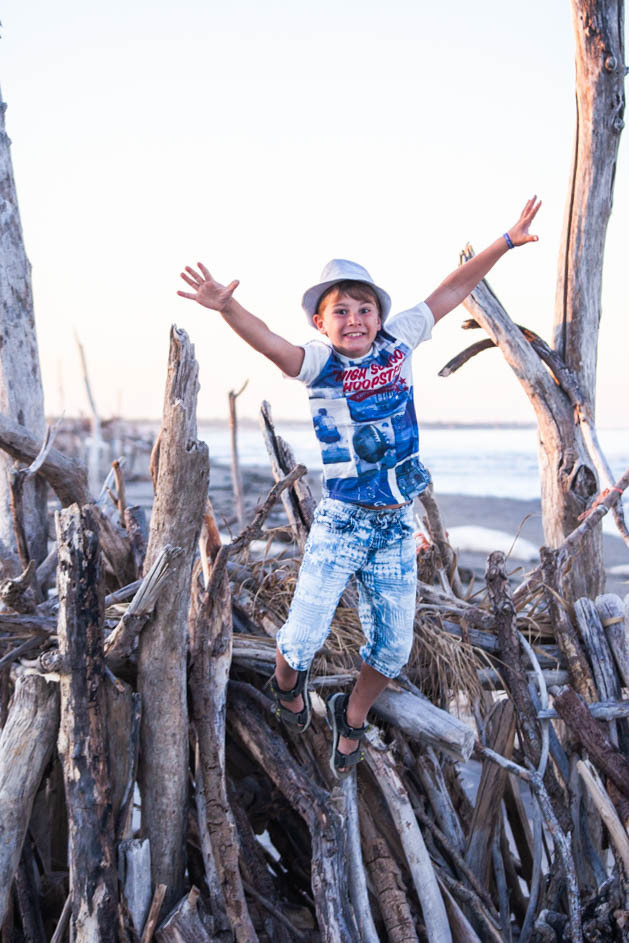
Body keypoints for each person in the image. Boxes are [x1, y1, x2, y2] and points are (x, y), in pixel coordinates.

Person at [178, 196, 541, 778]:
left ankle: (352, 714)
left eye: (363, 308)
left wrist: (506, 239)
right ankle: (287, 685)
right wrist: (228, 308)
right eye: (340, 311)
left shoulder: (398, 341)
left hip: (396, 522)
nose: (354, 319)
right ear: (321, 323)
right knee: (301, 637)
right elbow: (271, 342)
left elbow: (450, 291)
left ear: (379, 314)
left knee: (392, 649)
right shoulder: (320, 363)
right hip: (344, 520)